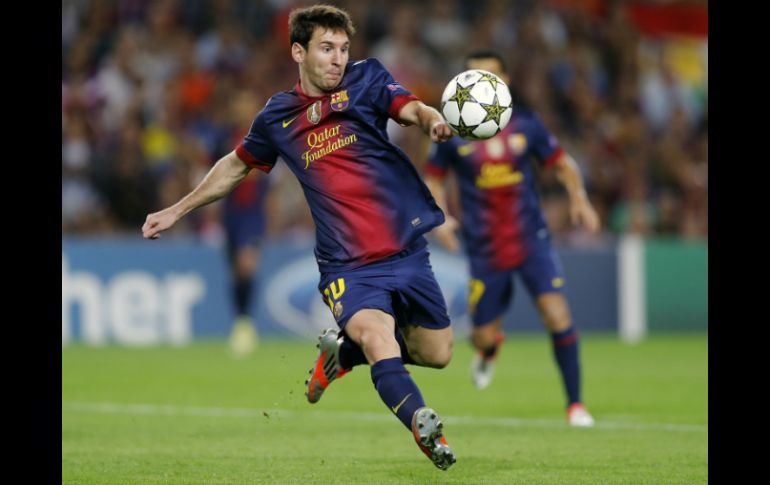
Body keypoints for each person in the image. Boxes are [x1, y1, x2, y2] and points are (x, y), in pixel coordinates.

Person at [142, 5, 457, 469]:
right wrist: (177, 210)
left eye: (343, 49)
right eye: (326, 49)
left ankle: (342, 354)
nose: (338, 59)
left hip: (406, 249)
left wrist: (431, 121)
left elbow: (410, 107)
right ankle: (424, 425)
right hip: (348, 265)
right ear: (298, 52)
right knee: (379, 338)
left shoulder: (367, 79)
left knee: (438, 353)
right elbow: (235, 166)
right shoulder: (278, 117)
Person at [423, 50, 600, 427]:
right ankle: (490, 350)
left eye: (490, 76)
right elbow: (433, 178)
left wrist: (578, 197)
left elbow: (562, 163)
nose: (482, 84)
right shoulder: (451, 130)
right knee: (482, 337)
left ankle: (575, 405)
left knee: (556, 313)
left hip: (531, 238)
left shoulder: (526, 124)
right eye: (474, 76)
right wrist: (442, 218)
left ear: (505, 81)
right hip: (485, 248)